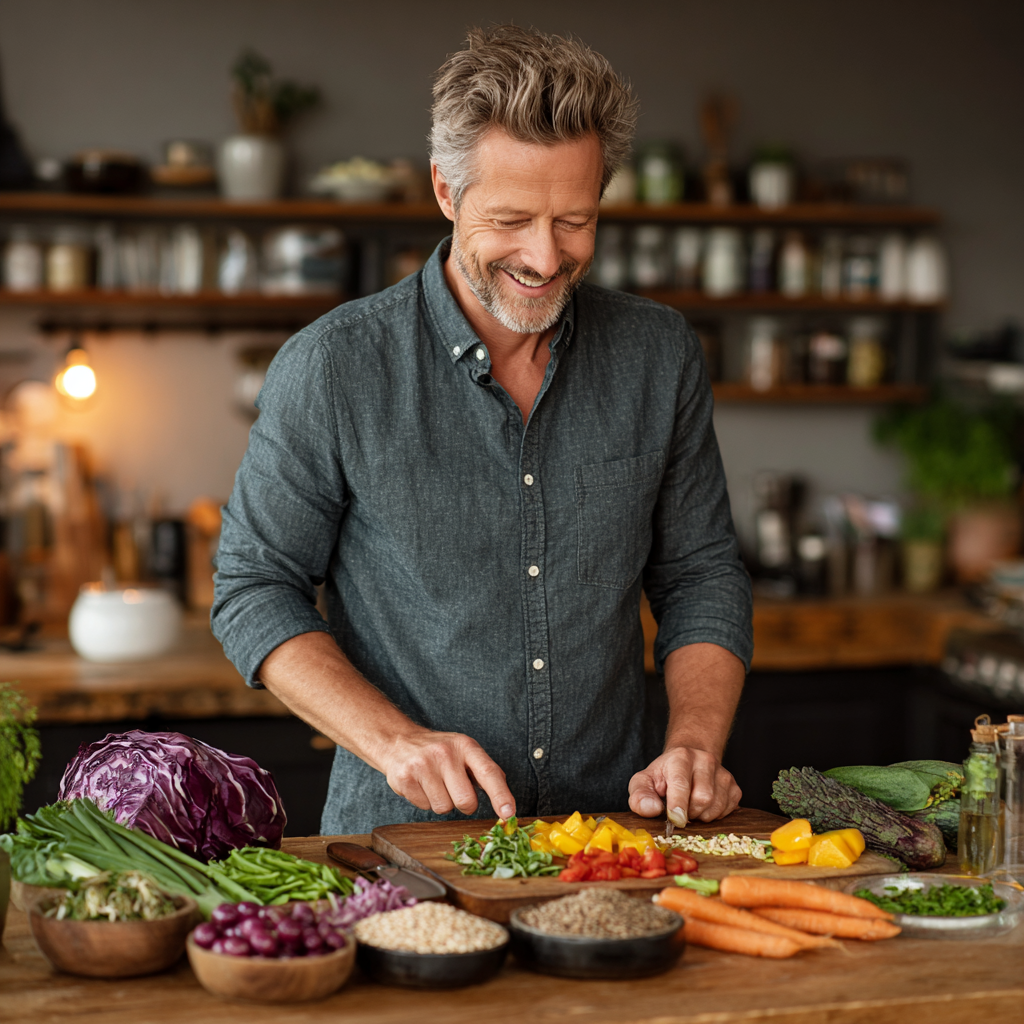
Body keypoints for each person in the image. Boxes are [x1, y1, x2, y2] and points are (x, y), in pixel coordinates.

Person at [212, 25, 753, 836]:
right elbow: (254, 589)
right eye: (510, 219)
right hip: (396, 845)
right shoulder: (333, 367)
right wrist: (394, 741)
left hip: (610, 836)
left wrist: (694, 747)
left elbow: (700, 575)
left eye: (575, 219)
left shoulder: (659, 355)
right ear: (444, 190)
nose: (544, 256)